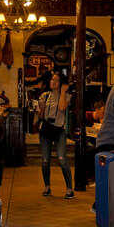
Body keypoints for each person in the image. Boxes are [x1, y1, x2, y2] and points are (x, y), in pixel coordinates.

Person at [36, 69, 74, 198]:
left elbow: (62, 108)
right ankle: (47, 187)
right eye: (52, 79)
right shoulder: (45, 95)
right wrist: (40, 109)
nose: (53, 82)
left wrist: (63, 91)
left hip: (59, 130)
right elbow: (41, 114)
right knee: (45, 160)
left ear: (62, 82)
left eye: (56, 80)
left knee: (62, 159)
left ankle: (69, 189)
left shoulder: (67, 96)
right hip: (46, 130)